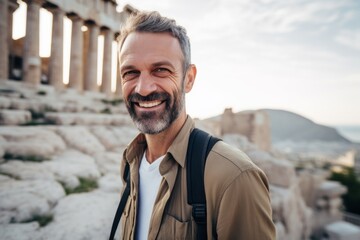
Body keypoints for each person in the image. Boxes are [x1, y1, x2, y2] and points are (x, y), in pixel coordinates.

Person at [117, 10, 276, 240]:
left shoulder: (235, 178)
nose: (143, 88)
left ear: (189, 78)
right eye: (130, 72)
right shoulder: (130, 162)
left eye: (160, 70)